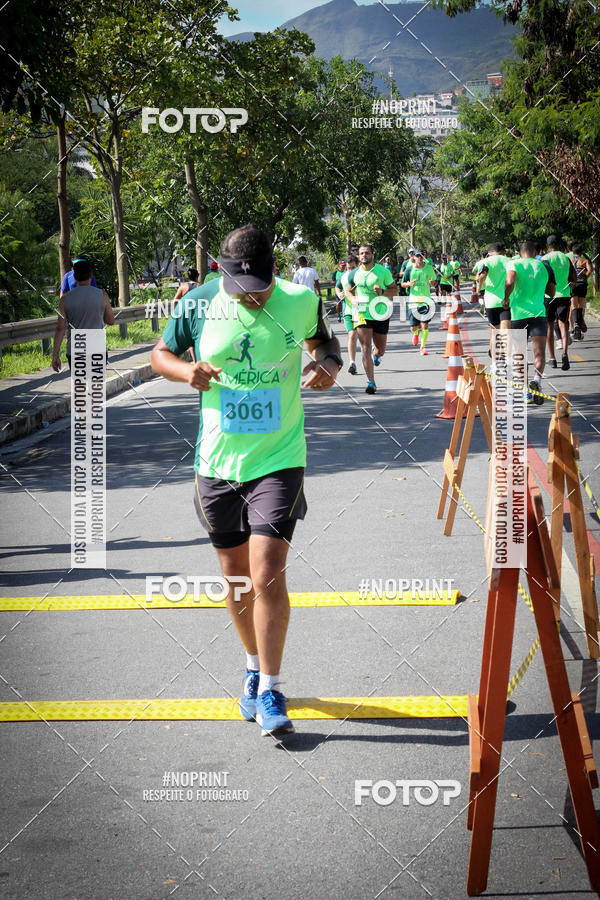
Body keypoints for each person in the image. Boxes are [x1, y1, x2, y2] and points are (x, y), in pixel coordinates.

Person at [150, 224, 342, 738]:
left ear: (275, 270)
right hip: (216, 463)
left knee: (267, 573)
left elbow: (325, 343)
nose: (251, 297)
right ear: (221, 272)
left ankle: (273, 688)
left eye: (258, 288)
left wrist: (329, 365)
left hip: (280, 458)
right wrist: (184, 372)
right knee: (236, 578)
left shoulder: (300, 299)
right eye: (240, 288)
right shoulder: (198, 302)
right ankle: (254, 666)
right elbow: (159, 355)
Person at [503, 241, 555, 405]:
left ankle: (526, 391)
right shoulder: (544, 266)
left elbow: (510, 282)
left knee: (520, 354)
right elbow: (551, 292)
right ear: (535, 252)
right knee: (539, 353)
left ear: (520, 253)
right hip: (539, 314)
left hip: (518, 315)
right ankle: (537, 380)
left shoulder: (514, 264)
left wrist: (506, 298)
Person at [346, 243, 395, 393]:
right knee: (365, 347)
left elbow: (395, 290)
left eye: (367, 253)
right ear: (358, 256)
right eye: (361, 253)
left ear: (372, 254)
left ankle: (377, 354)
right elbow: (348, 291)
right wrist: (352, 299)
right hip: (362, 313)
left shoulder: (382, 271)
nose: (364, 255)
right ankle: (371, 382)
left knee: (380, 350)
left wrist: (382, 291)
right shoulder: (354, 274)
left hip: (380, 313)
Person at [52, 259, 114, 372]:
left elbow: (60, 328)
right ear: (91, 275)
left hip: (76, 349)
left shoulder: (64, 299)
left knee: (80, 382)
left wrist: (55, 355)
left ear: (75, 277)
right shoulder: (102, 295)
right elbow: (110, 320)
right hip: (97, 347)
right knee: (95, 382)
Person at [542, 236, 577, 370]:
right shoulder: (565, 258)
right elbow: (573, 278)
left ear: (548, 246)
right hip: (564, 295)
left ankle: (552, 358)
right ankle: (564, 353)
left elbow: (542, 277)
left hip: (549, 296)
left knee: (549, 327)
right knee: (563, 325)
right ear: (559, 245)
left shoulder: (545, 259)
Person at [476, 243, 511, 356]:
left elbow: (479, 276)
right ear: (502, 251)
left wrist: (479, 287)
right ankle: (506, 357)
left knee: (494, 332)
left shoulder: (486, 262)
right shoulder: (509, 261)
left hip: (491, 302)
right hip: (506, 301)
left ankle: (495, 359)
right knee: (506, 332)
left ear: (490, 252)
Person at [401, 250, 435, 355]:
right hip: (413, 301)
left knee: (425, 325)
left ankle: (422, 347)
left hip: (426, 301)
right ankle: (415, 333)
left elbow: (434, 283)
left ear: (424, 257)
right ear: (414, 257)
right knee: (413, 327)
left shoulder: (429, 268)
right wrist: (408, 284)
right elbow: (402, 284)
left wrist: (432, 283)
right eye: (417, 256)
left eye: (421, 255)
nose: (420, 257)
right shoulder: (409, 269)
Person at [336, 253, 359, 374]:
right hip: (348, 311)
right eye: (348, 268)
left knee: (364, 337)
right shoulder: (343, 276)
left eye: (353, 268)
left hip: (362, 311)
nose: (350, 271)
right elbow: (337, 287)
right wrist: (339, 293)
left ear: (358, 266)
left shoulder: (362, 276)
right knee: (352, 334)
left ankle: (372, 352)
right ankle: (352, 363)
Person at [569, 243, 593, 340]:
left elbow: (568, 272)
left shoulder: (570, 260)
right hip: (582, 284)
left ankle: (575, 325)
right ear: (581, 252)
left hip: (574, 284)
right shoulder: (585, 260)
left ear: (573, 252)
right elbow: (590, 270)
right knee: (581, 306)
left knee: (574, 306)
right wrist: (585, 277)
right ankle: (579, 323)